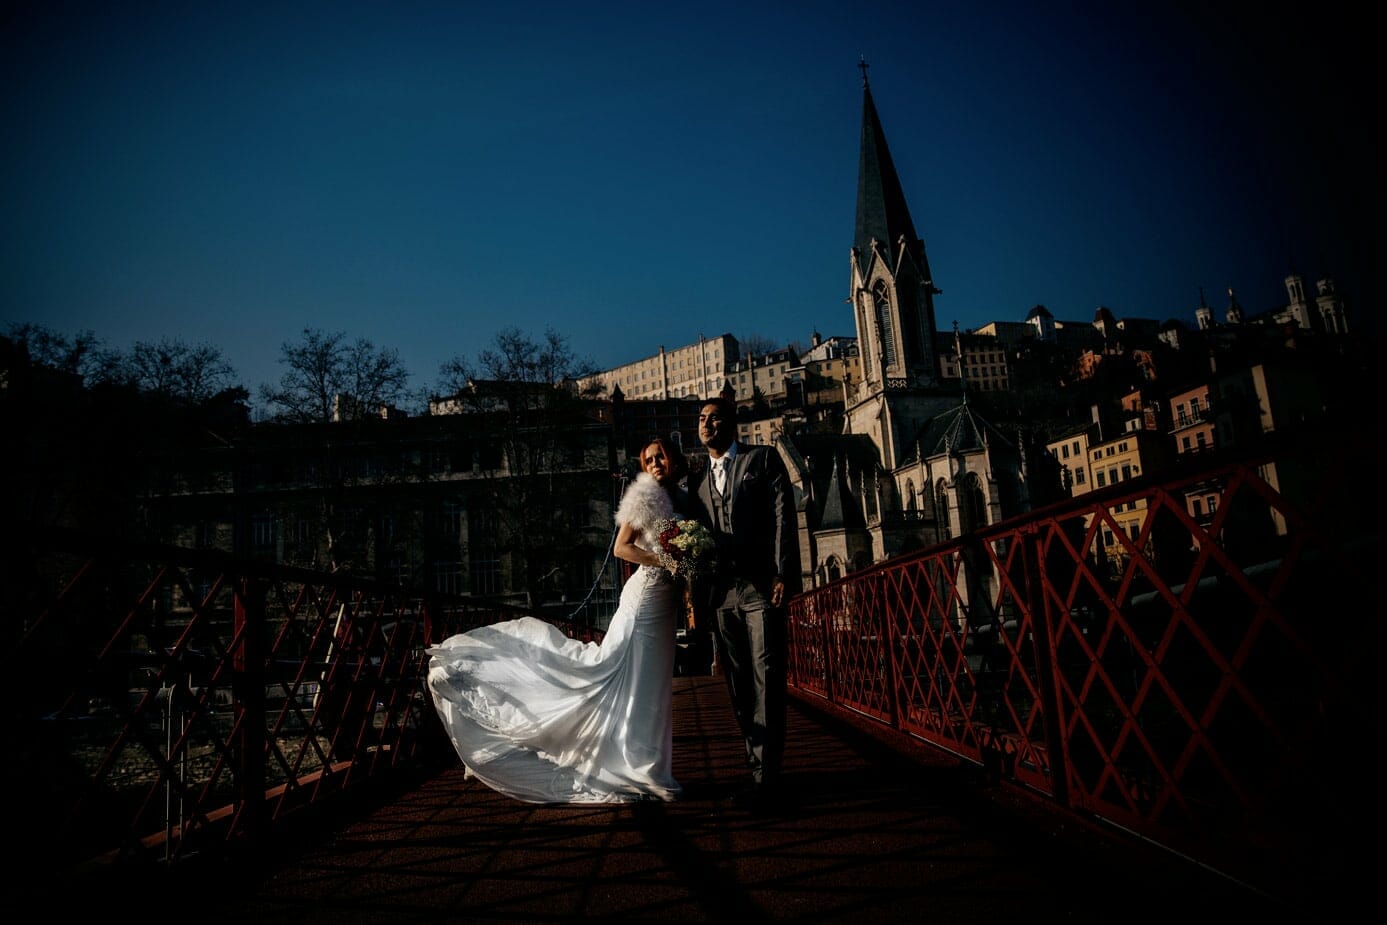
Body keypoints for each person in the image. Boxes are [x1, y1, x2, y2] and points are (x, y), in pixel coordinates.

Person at [425, 436, 690, 803]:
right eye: (648, 459)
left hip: (666, 602)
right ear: (643, 467)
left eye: (661, 456)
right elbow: (622, 547)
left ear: (673, 459)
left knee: (649, 685)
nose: (656, 462)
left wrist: (689, 569)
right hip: (645, 597)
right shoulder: (643, 495)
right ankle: (637, 767)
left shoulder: (682, 499)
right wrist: (668, 561)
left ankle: (645, 761)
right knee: (612, 671)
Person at [688, 396, 800, 813]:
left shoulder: (763, 460)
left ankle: (767, 778)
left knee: (766, 675)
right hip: (722, 595)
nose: (707, 424)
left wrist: (783, 573)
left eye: (715, 418)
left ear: (733, 424)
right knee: (737, 683)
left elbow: (783, 517)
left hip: (758, 588)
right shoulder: (697, 485)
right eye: (702, 419)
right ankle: (755, 762)